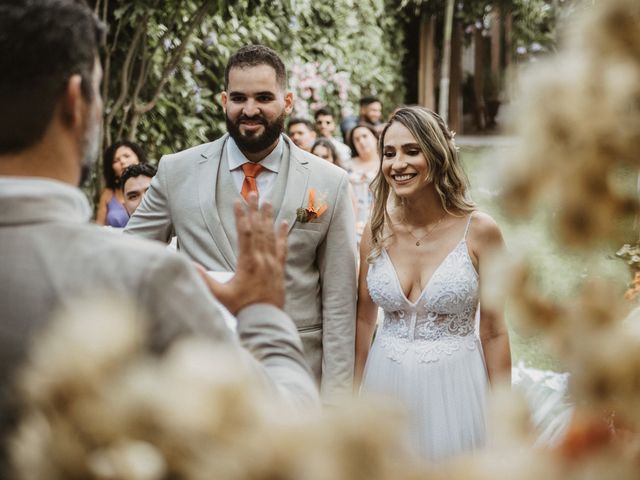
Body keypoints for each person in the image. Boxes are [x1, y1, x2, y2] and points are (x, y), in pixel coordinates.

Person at [0, 0, 318, 472]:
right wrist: (264, 316)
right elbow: (278, 423)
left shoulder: (322, 177)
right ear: (75, 101)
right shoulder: (145, 275)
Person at [125, 45, 357, 404]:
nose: (250, 110)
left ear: (288, 101)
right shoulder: (176, 171)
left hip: (294, 379)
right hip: (198, 379)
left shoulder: (330, 182)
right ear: (223, 101)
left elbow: (340, 305)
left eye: (264, 97)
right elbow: (131, 261)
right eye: (239, 98)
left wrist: (335, 403)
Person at [354, 106, 511, 462]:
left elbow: (494, 332)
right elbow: (363, 320)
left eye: (412, 151)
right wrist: (351, 395)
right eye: (389, 153)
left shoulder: (482, 231)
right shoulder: (375, 232)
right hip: (385, 385)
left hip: (456, 386)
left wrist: (504, 415)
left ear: (437, 154)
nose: (398, 164)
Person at [96, 139, 145, 227]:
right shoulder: (108, 194)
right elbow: (99, 227)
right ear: (112, 170)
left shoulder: (153, 184)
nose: (122, 161)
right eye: (116, 161)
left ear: (138, 158)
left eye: (126, 156)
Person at [348, 123, 379, 242]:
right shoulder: (346, 165)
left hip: (378, 218)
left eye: (365, 136)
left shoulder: (386, 163)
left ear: (375, 137)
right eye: (356, 139)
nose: (361, 141)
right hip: (352, 219)